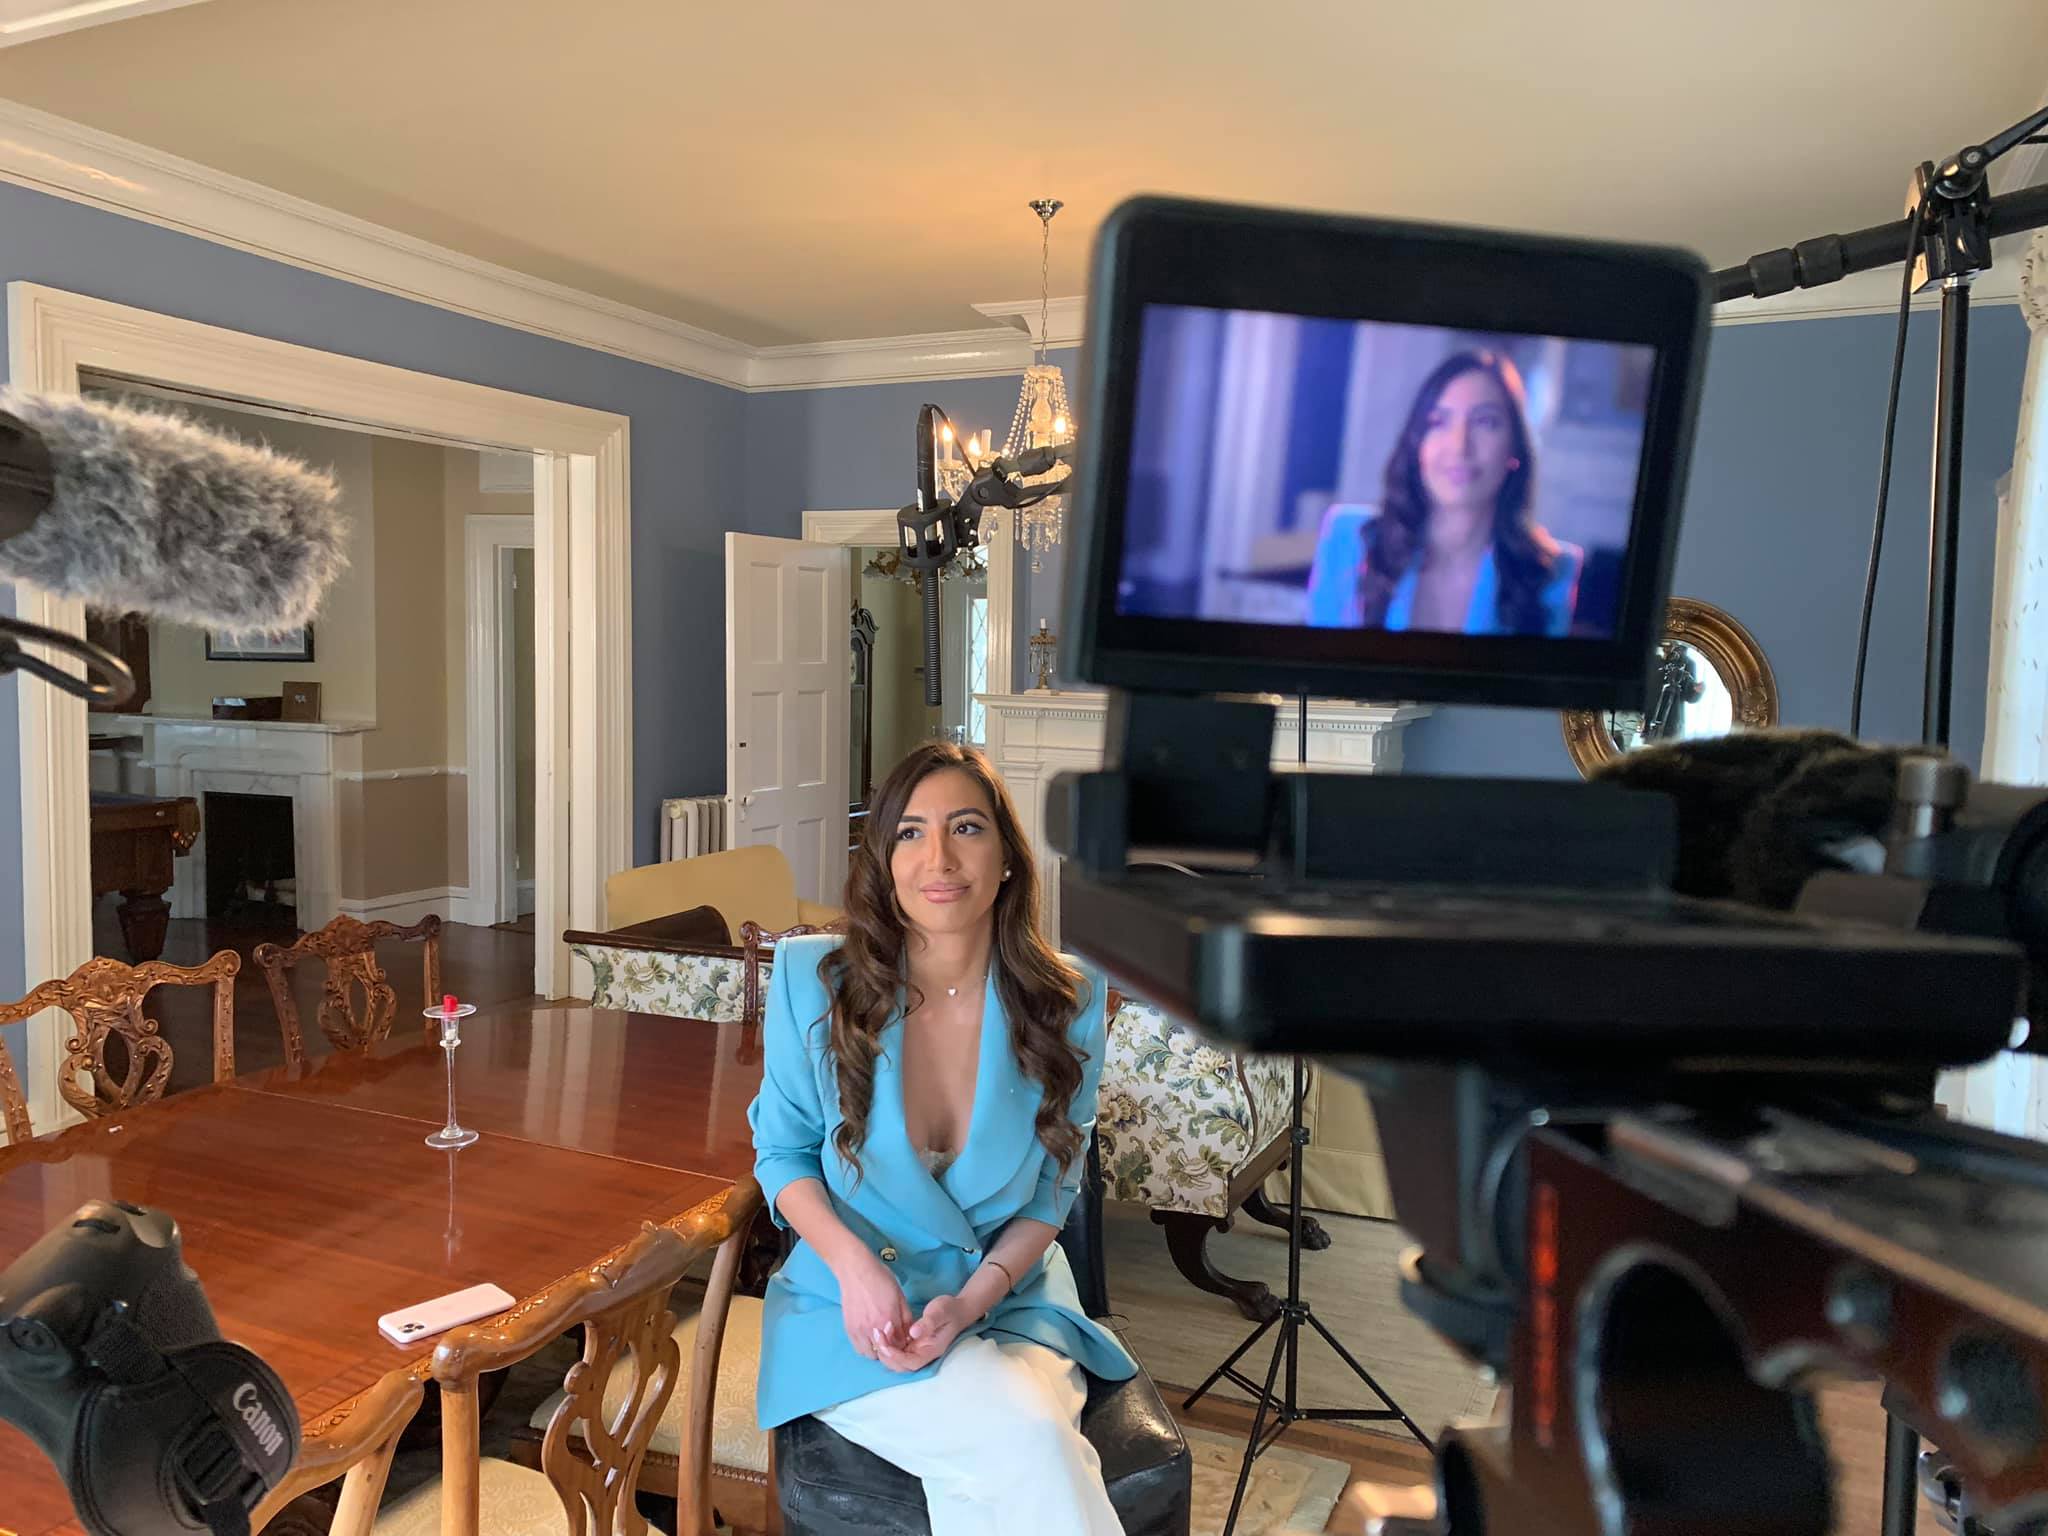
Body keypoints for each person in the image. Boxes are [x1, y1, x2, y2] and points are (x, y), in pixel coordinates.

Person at [749, 740, 1135, 1535]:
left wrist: (970, 1303)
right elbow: (781, 1154)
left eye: (966, 827)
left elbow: (1052, 1195)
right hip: (854, 1319)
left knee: (1020, 1451)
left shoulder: (1069, 1003)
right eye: (910, 833)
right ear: (884, 860)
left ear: (1007, 857)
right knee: (1033, 1443)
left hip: (1008, 1303)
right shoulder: (811, 981)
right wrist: (856, 1269)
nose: (940, 858)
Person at [1305, 350, 1582, 636]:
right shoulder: (1348, 539)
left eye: (1485, 422)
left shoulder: (1551, 572)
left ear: (1515, 449)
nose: (1459, 447)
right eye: (1438, 422)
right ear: (1418, 445)